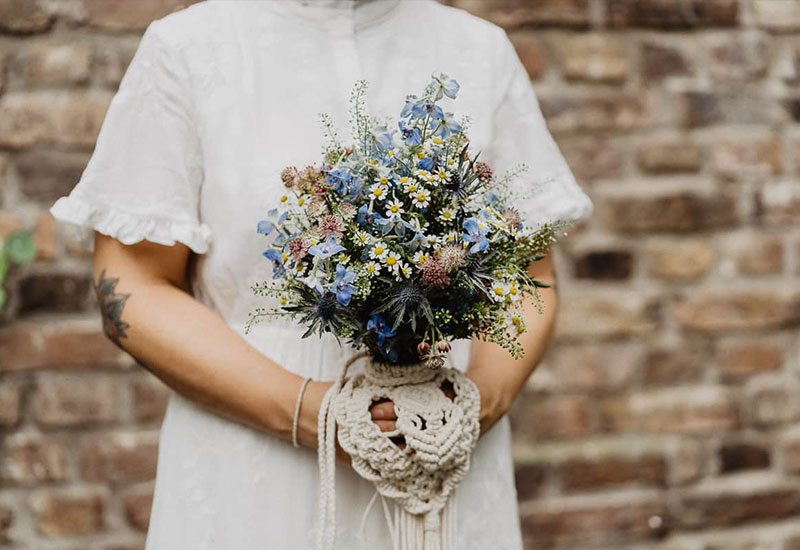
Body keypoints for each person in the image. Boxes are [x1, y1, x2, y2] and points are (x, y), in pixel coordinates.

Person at [48, 0, 593, 548]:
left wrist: (476, 404)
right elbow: (132, 285)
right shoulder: (190, 50)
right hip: (257, 451)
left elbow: (529, 276)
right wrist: (320, 415)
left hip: (441, 451)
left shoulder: (480, 51)